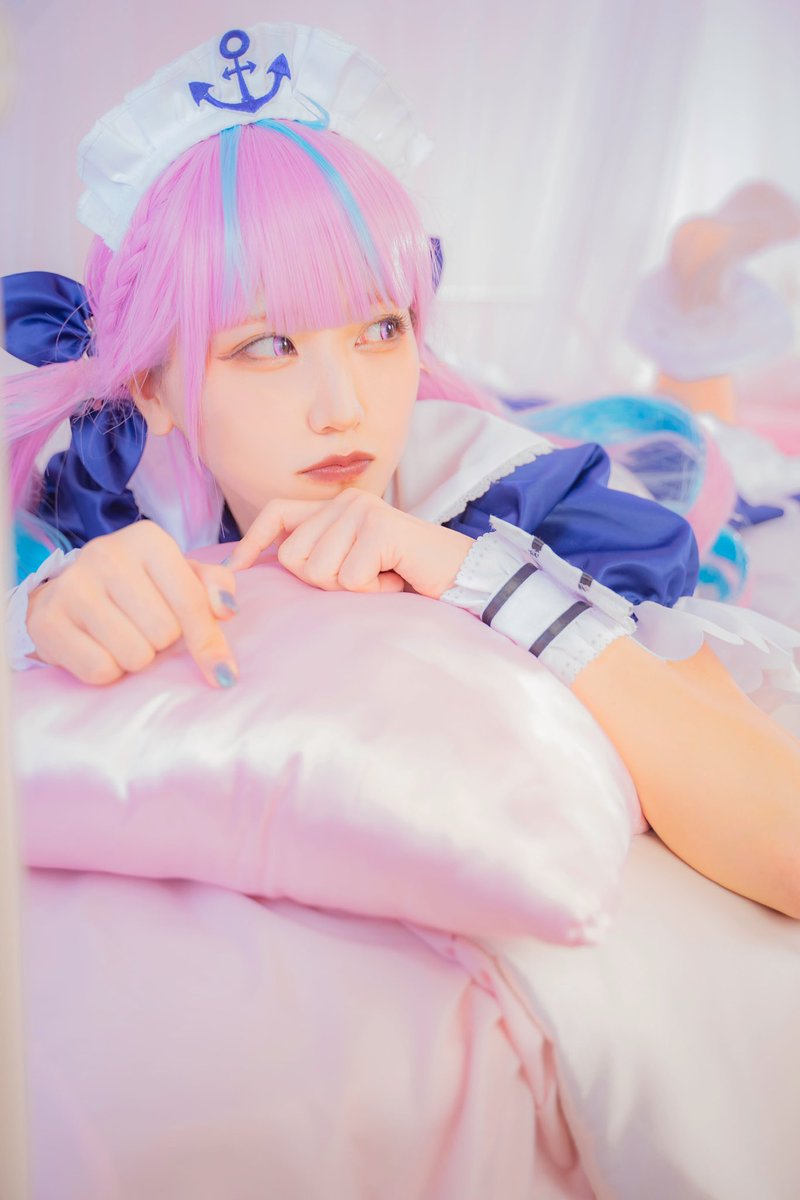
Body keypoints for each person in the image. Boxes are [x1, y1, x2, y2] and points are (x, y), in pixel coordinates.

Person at [3, 23, 800, 920]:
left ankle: (703, 279)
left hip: (537, 456)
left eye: (382, 329)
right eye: (268, 345)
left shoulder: (518, 495)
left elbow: (785, 842)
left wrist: (470, 573)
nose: (344, 408)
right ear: (152, 387)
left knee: (712, 431)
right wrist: (46, 611)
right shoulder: (112, 497)